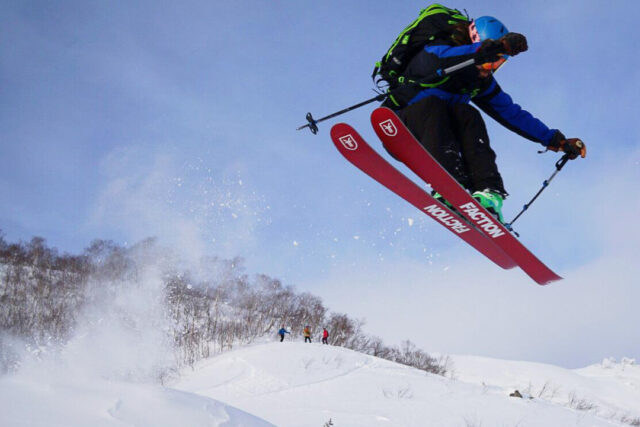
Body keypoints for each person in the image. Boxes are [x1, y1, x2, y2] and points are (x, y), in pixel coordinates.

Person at [383, 11, 586, 223]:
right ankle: (448, 184)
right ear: (475, 42)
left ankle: (489, 195)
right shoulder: (435, 54)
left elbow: (512, 114)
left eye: (499, 64)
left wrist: (557, 140)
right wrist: (492, 49)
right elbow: (443, 60)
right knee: (434, 106)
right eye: (492, 62)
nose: (492, 69)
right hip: (401, 126)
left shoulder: (479, 82)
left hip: (439, 142)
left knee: (469, 114)